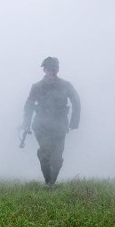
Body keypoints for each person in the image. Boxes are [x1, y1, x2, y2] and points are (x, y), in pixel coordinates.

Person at [22, 57, 81, 186]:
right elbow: (29, 105)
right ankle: (48, 182)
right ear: (45, 70)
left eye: (54, 69)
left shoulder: (66, 85)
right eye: (49, 69)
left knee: (57, 159)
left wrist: (74, 122)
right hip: (41, 126)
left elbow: (76, 101)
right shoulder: (37, 87)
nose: (52, 72)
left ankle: (52, 182)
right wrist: (26, 124)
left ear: (58, 70)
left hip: (59, 126)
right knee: (45, 152)